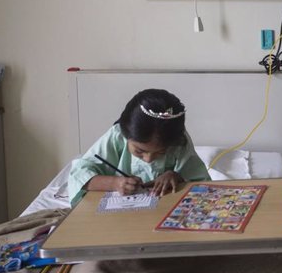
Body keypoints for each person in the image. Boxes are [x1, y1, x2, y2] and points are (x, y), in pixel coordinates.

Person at [68, 88, 210, 206]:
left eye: (161, 152)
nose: (148, 159)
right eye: (140, 151)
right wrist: (115, 183)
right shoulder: (117, 135)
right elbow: (79, 175)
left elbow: (202, 183)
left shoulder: (179, 141)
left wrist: (175, 176)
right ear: (126, 134)